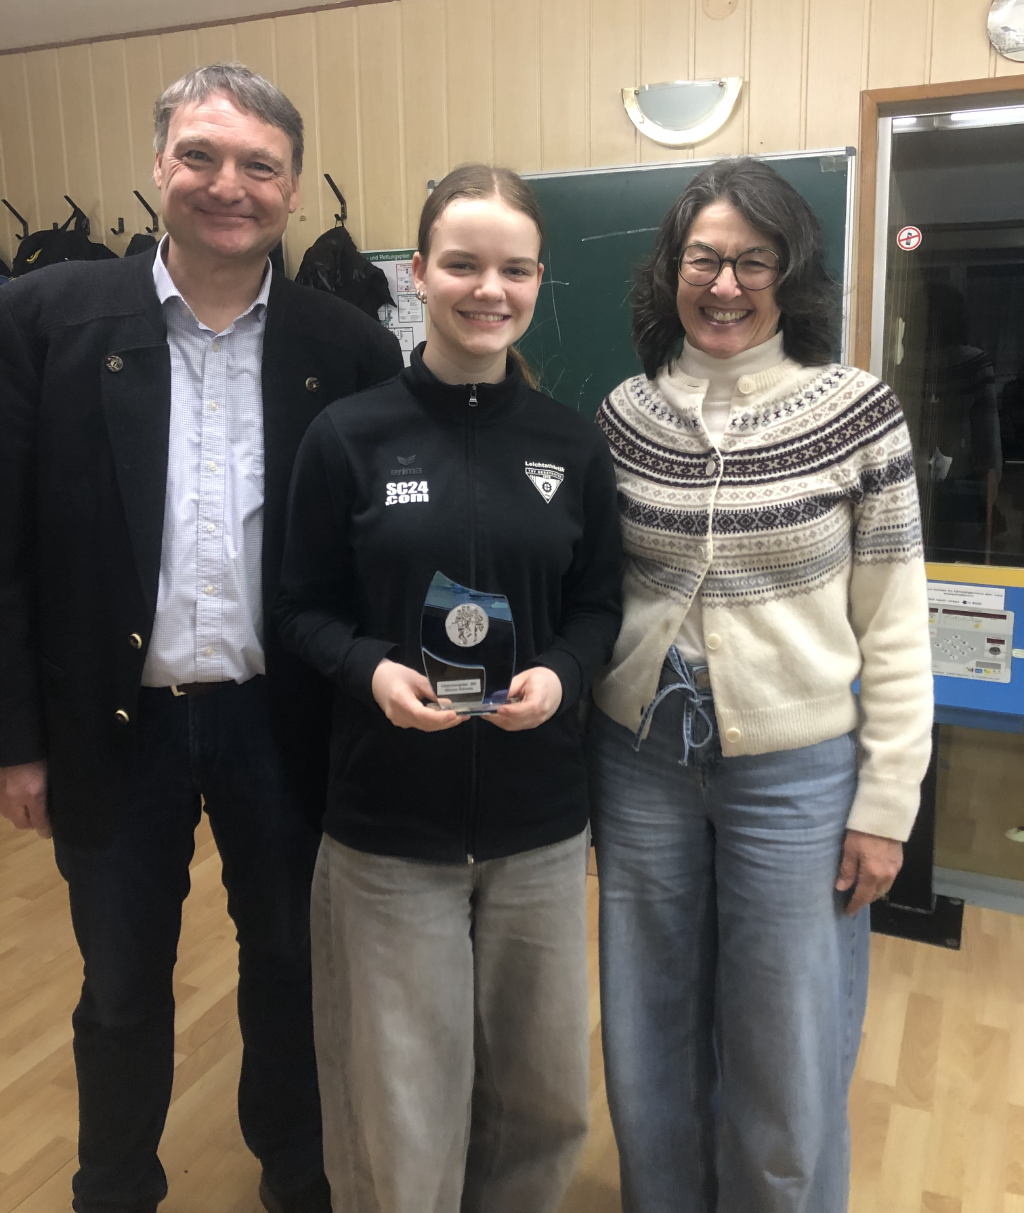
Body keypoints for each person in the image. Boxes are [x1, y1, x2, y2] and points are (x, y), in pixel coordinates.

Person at [0, 63, 402, 1213]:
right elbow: (6, 548)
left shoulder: (348, 347)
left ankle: (298, 1179)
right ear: (158, 166)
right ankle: (113, 1187)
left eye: (259, 165)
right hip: (111, 720)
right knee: (120, 984)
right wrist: (16, 739)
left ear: (292, 188)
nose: (229, 185)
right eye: (200, 156)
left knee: (290, 968)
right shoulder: (42, 320)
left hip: (283, 720)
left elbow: (372, 560)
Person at [587, 156, 933, 1213]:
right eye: (703, 259)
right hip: (641, 760)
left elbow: (896, 622)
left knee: (788, 1040)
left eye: (753, 261)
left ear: (791, 273)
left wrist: (886, 804)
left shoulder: (857, 413)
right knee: (646, 1025)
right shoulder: (624, 416)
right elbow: (595, 593)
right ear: (671, 272)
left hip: (798, 773)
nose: (725, 284)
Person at [275, 163, 623, 1213]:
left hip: (539, 828)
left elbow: (599, 607)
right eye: (463, 264)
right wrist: (370, 669)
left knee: (543, 1093)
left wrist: (561, 675)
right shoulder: (348, 436)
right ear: (418, 273)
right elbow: (300, 609)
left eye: (515, 269)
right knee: (400, 1102)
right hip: (389, 832)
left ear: (539, 280)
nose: (489, 289)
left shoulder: (573, 444)